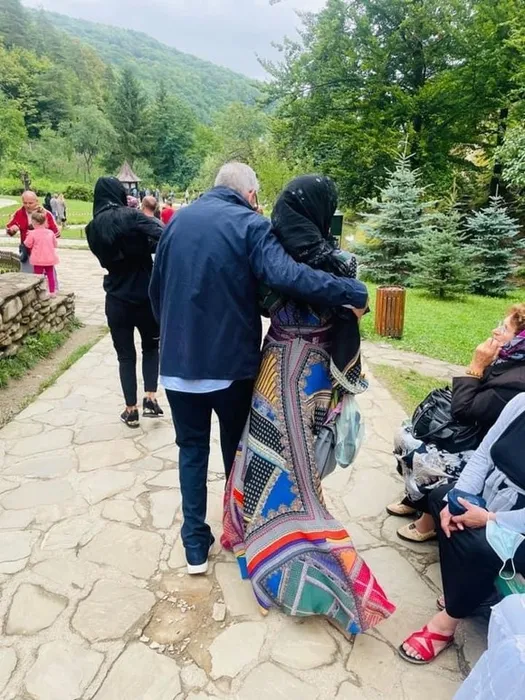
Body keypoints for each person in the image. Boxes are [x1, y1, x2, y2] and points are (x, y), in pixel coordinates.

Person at [149, 162, 369, 575]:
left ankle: (195, 547)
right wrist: (350, 290)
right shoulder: (250, 225)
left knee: (191, 451)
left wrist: (175, 341)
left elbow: (155, 290)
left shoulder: (176, 222)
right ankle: (241, 536)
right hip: (230, 367)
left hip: (178, 367)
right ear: (250, 194)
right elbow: (287, 275)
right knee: (237, 453)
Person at [222, 174, 395, 636]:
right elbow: (347, 316)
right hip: (310, 373)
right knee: (298, 468)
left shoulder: (272, 249)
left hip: (275, 363)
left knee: (270, 456)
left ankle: (258, 534)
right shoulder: (339, 263)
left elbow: (266, 300)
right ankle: (300, 562)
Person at [399, 393, 525, 665]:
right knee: (439, 499)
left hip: (518, 522)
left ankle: (445, 624)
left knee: (482, 544)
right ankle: (471, 594)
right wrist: (457, 499)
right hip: (493, 499)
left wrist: (490, 518)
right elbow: (484, 455)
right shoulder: (521, 403)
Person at [388, 305, 525, 543]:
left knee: (424, 454)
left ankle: (428, 521)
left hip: (481, 445)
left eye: (504, 329)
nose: (495, 332)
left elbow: (464, 411)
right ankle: (415, 499)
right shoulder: (507, 362)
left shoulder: (517, 382)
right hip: (474, 435)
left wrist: (476, 366)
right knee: (407, 434)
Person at [86, 177, 164, 428]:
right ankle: (150, 397)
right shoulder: (132, 217)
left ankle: (131, 410)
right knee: (151, 348)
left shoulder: (92, 228)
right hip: (145, 296)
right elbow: (164, 234)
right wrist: (147, 246)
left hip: (117, 298)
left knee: (125, 356)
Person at [6, 191, 59, 273]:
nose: (27, 205)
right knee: (26, 278)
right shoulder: (19, 213)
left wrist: (43, 229)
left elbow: (56, 233)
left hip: (43, 254)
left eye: (30, 203)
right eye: (25, 203)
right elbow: (9, 230)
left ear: (37, 201)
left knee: (47, 278)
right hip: (27, 253)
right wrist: (12, 230)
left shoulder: (46, 214)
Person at [24, 207, 59, 296]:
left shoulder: (32, 233)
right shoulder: (50, 232)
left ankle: (39, 293)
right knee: (50, 275)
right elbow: (55, 244)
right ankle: (52, 292)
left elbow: (27, 244)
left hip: (38, 259)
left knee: (38, 276)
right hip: (49, 258)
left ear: (34, 222)